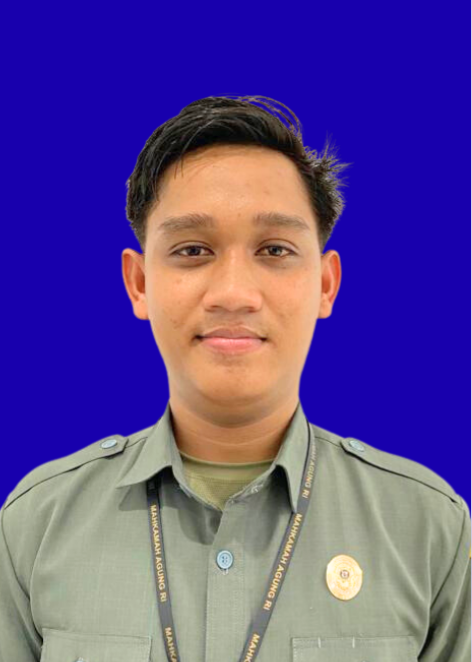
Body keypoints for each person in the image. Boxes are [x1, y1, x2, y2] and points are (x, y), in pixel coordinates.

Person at [0, 95, 469, 662]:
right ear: (139, 283)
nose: (233, 293)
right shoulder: (37, 524)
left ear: (325, 284)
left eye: (274, 249)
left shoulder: (428, 528)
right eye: (193, 250)